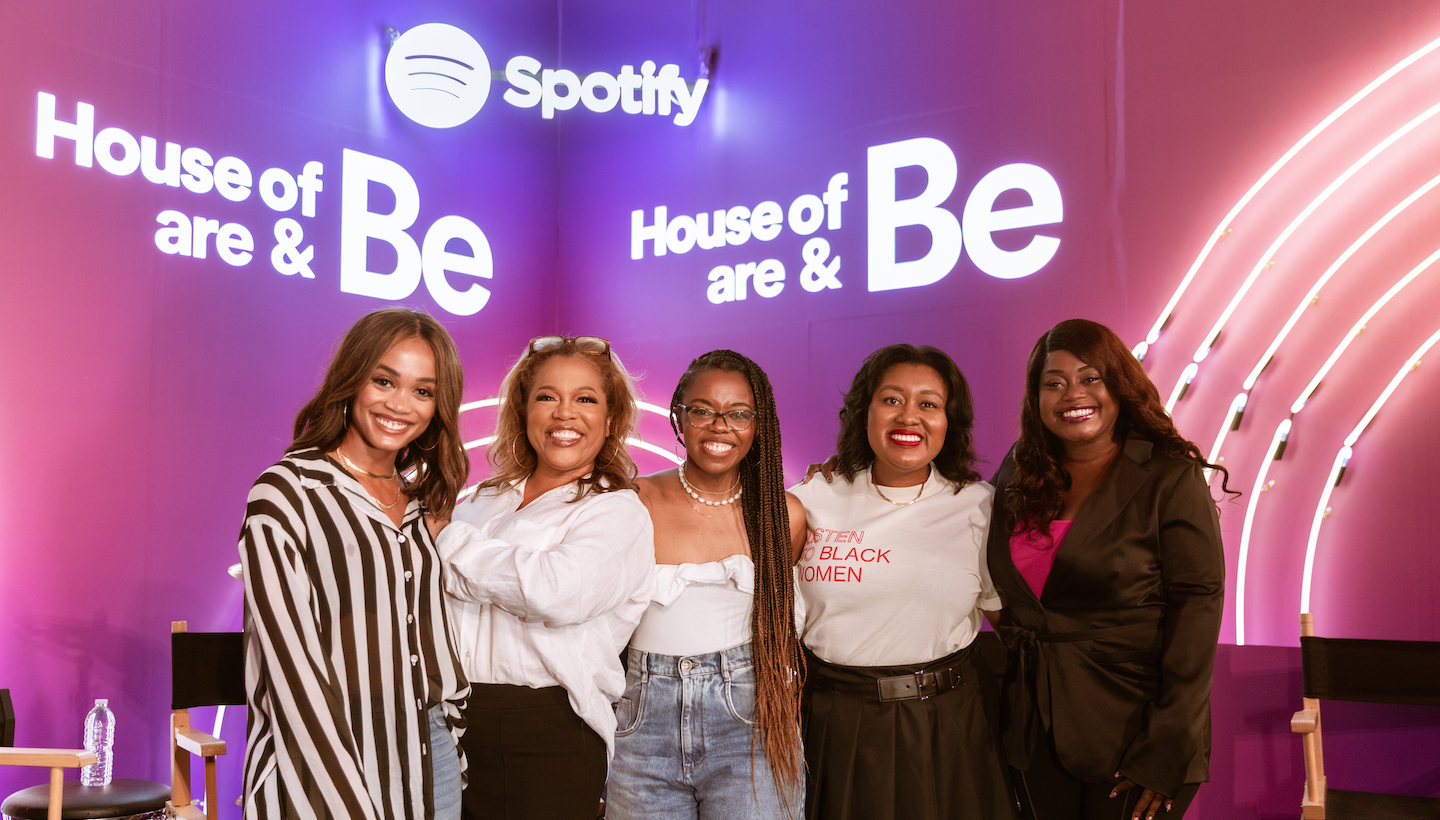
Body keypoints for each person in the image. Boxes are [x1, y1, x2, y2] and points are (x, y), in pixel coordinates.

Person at [988, 319, 1228, 820]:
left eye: (1089, 377)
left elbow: (1197, 615)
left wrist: (1167, 745)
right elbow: (955, 521)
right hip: (1033, 732)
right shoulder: (1019, 469)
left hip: (1136, 736)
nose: (1072, 393)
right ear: (1036, 398)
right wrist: (852, 474)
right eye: (1053, 383)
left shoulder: (1169, 476)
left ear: (1118, 383)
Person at [239, 308, 470, 820]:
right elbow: (288, 667)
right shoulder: (287, 492)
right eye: (384, 380)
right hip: (323, 761)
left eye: (422, 391)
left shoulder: (422, 505)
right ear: (352, 379)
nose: (399, 404)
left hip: (430, 761)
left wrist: (450, 735)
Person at [433, 335, 653, 820]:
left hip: (547, 732)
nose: (564, 414)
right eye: (547, 397)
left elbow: (557, 591)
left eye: (585, 399)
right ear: (523, 410)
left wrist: (447, 541)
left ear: (610, 419)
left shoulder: (618, 511)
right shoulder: (483, 501)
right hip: (452, 719)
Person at [791, 343, 1014, 820]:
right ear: (863, 412)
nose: (909, 416)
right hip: (835, 721)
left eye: (928, 404)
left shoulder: (979, 505)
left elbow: (1009, 618)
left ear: (948, 421)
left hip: (950, 722)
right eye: (892, 399)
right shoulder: (809, 498)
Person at [607, 350, 808, 820]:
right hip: (642, 722)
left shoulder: (784, 514)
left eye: (739, 414)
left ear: (759, 425)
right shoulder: (633, 500)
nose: (721, 426)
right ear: (678, 417)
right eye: (702, 411)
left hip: (752, 722)